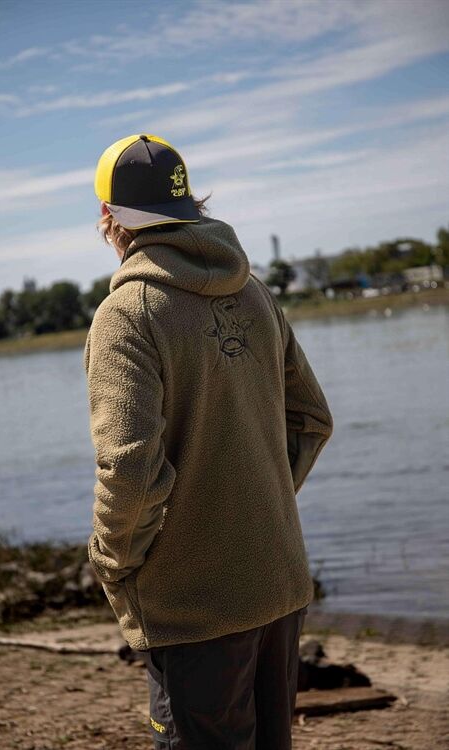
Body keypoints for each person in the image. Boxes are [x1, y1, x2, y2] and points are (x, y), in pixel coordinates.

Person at [84, 133, 334, 749]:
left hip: (195, 604)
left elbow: (131, 467)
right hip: (277, 579)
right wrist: (257, 505)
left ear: (110, 217)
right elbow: (310, 419)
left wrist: (113, 561)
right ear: (191, 202)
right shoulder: (253, 291)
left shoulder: (128, 313)